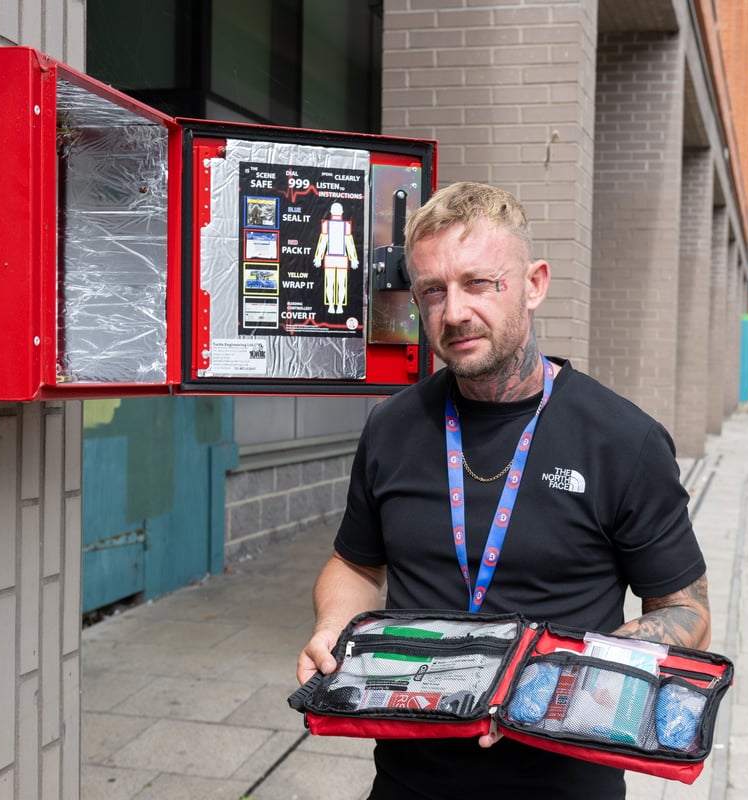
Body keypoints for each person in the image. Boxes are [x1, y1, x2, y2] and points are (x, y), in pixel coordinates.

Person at [296, 182, 711, 799]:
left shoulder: (624, 440)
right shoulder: (391, 427)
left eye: (478, 283)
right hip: (411, 776)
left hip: (564, 780)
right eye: (433, 291)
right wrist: (335, 624)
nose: (454, 311)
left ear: (534, 283)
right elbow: (354, 564)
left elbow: (687, 613)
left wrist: (551, 675)